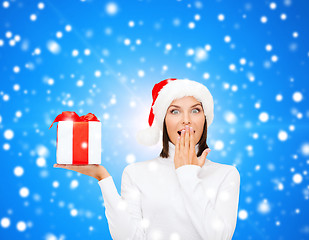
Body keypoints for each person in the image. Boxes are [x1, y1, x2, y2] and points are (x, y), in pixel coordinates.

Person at [54, 78, 241, 240]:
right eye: (175, 111)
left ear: (205, 117)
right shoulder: (136, 173)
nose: (186, 120)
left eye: (195, 110)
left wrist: (188, 173)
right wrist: (103, 177)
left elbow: (219, 237)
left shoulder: (226, 175)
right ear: (163, 121)